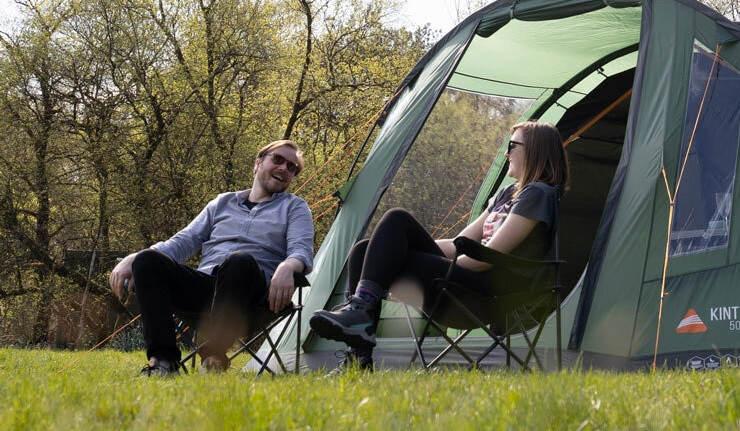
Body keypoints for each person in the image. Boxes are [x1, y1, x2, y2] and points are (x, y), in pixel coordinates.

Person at [309, 120, 568, 362]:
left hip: (490, 294)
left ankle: (360, 312)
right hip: (466, 285)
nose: (506, 154)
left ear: (534, 150)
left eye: (512, 146)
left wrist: (413, 262)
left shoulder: (538, 193)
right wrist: (396, 249)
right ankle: (359, 351)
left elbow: (488, 259)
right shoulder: (507, 193)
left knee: (396, 219)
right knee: (364, 249)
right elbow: (460, 242)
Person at [109, 139, 315, 376]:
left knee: (240, 260)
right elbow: (181, 243)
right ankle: (164, 363)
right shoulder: (222, 203)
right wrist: (134, 258)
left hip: (254, 295)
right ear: (257, 164)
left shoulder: (295, 207)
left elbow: (301, 250)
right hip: (205, 289)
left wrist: (289, 266)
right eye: (278, 160)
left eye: (292, 168)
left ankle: (213, 356)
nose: (284, 169)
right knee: (148, 260)